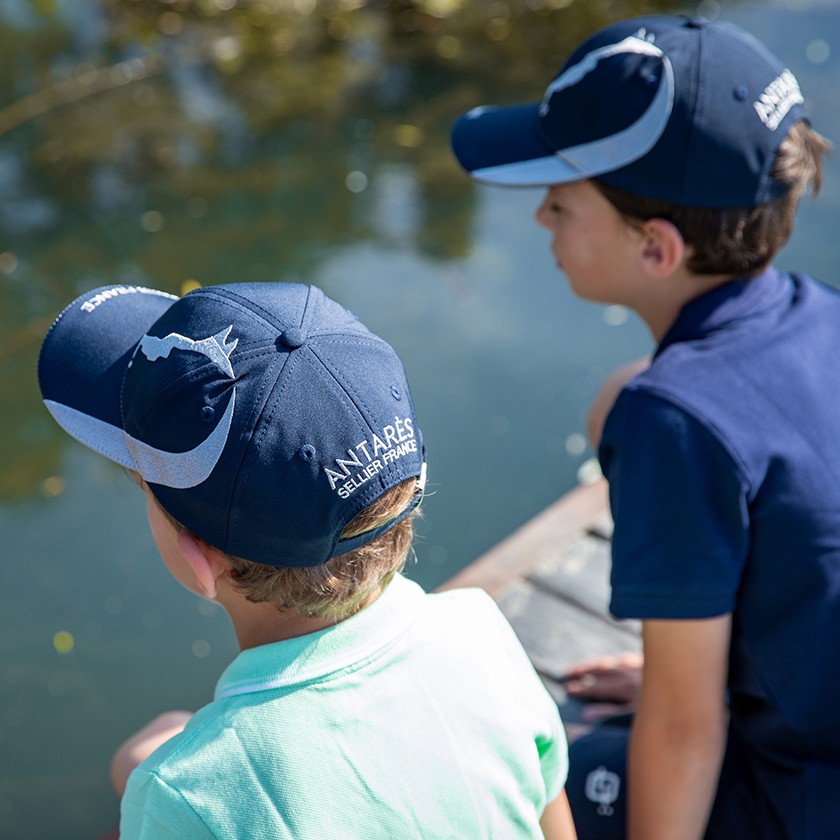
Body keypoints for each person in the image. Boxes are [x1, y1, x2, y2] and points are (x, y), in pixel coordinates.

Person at [450, 13, 839, 840]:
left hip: (799, 801)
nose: (539, 222)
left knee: (506, 787)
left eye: (558, 202)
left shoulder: (677, 422)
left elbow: (682, 733)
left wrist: (685, 697)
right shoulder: (821, 319)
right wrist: (708, 672)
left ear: (656, 250)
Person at [38, 282, 578, 839]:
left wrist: (160, 786)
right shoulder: (478, 631)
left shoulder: (185, 795)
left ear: (200, 561)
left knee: (136, 770)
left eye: (142, 484)